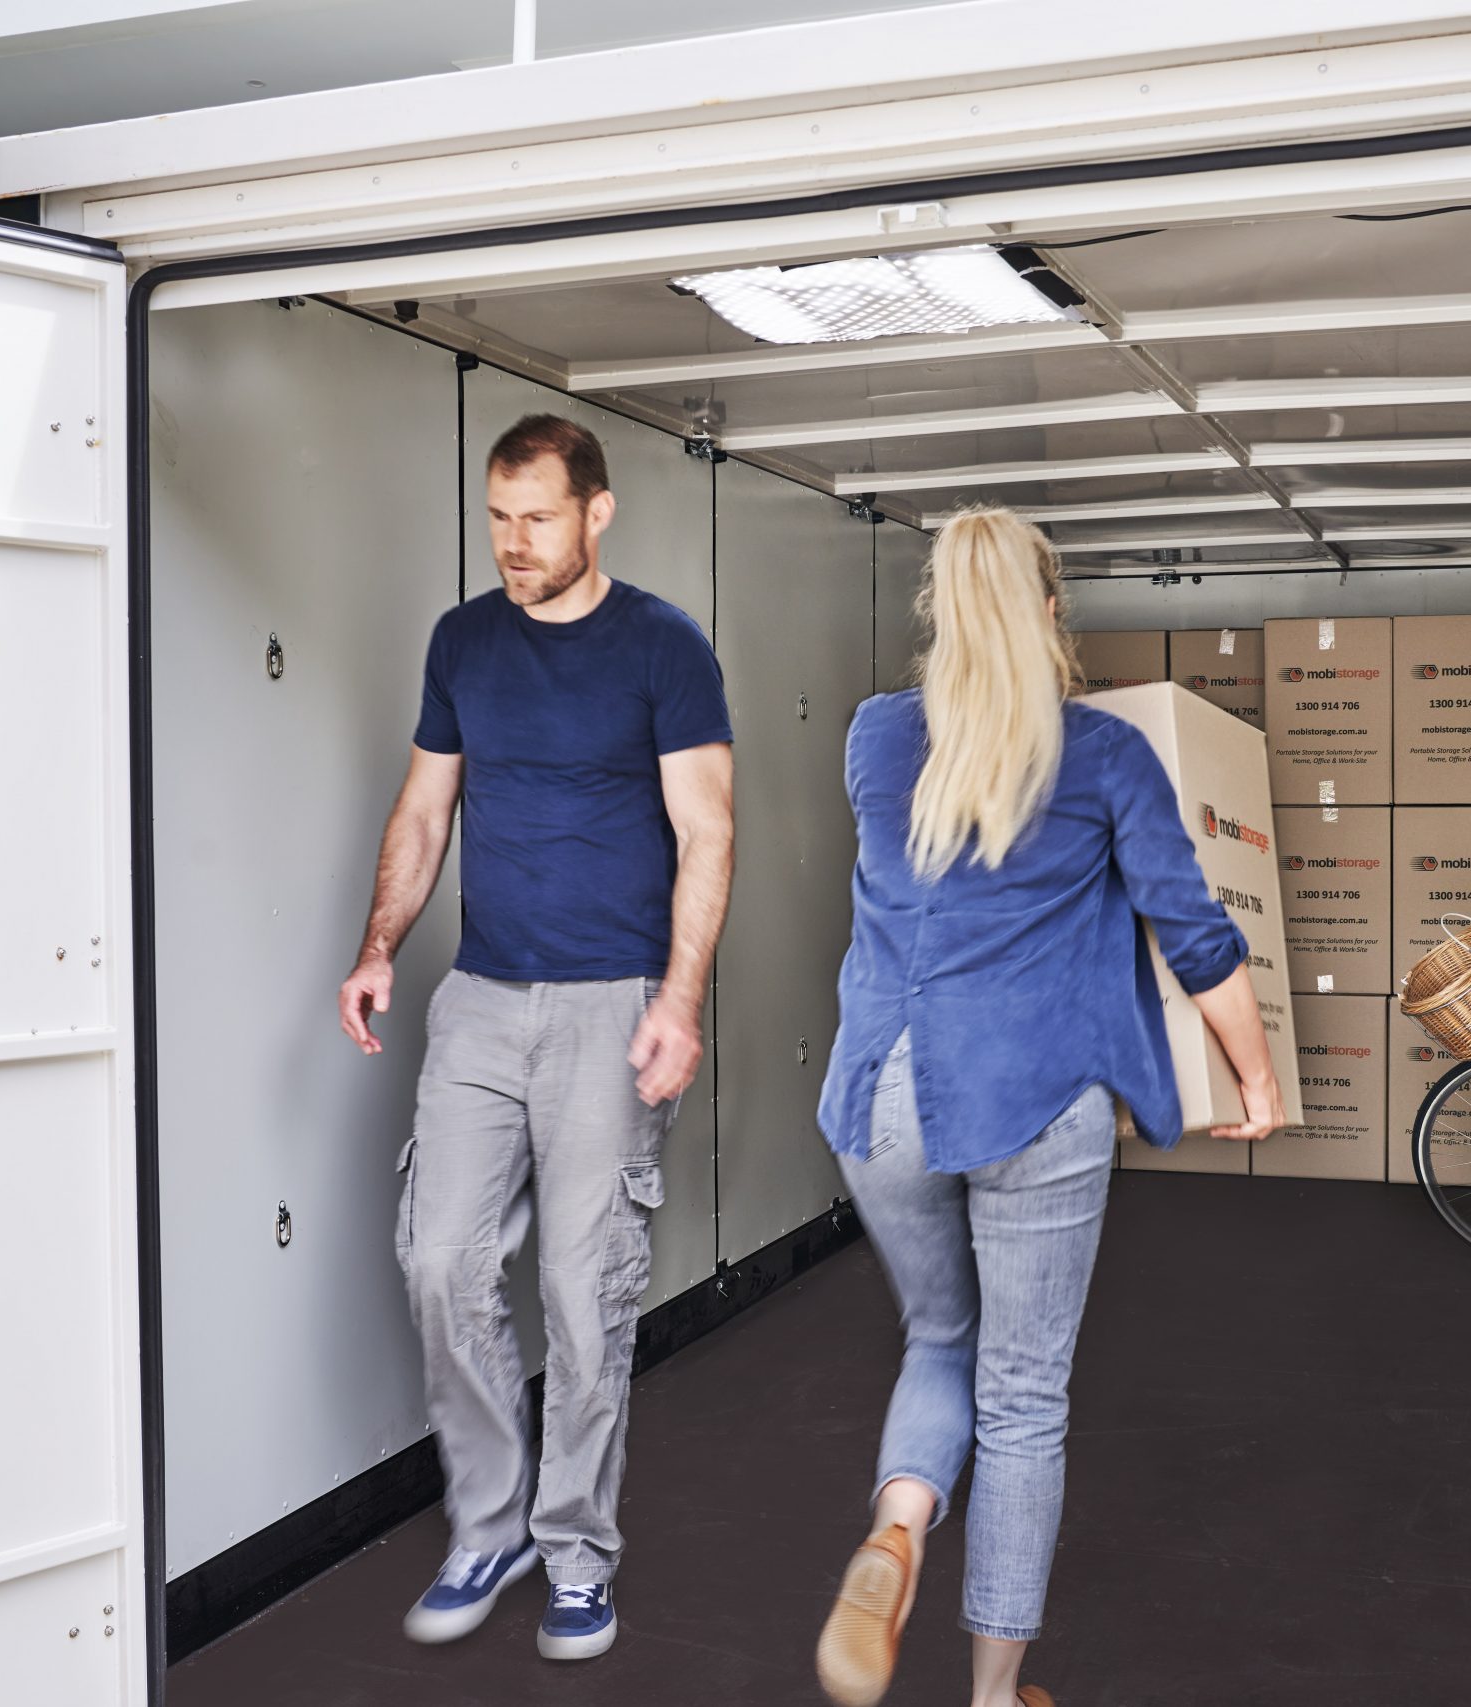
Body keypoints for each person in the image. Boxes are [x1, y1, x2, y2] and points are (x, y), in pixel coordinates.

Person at [810, 508, 1285, 1707]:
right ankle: (990, 1698)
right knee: (1023, 1398)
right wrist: (1258, 1078)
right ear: (1051, 617)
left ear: (938, 614)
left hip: (887, 1094)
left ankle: (900, 1527)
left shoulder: (875, 739)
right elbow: (1194, 934)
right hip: (1033, 1097)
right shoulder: (1105, 755)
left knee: (937, 1338)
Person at [337, 414, 735, 1663]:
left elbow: (708, 833)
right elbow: (424, 807)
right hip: (481, 996)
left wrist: (680, 1001)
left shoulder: (664, 647)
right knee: (438, 1258)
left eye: (539, 520)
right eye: (500, 518)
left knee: (581, 1287)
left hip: (614, 1002)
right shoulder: (463, 641)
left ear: (596, 514)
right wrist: (379, 945)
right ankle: (491, 1520)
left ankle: (574, 1552)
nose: (515, 544)